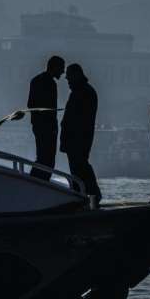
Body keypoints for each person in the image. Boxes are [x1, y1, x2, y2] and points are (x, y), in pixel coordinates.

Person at [60, 63, 101, 201]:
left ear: (76, 75)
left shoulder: (83, 92)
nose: (68, 81)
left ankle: (88, 196)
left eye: (69, 78)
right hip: (77, 138)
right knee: (79, 167)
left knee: (80, 166)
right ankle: (84, 196)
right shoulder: (84, 91)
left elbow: (77, 118)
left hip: (78, 138)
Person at [27, 55, 65, 180]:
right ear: (54, 67)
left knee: (41, 157)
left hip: (38, 126)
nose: (63, 72)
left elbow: (30, 105)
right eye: (61, 68)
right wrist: (53, 127)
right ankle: (40, 181)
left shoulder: (35, 80)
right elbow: (50, 109)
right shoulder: (50, 83)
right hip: (48, 127)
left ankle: (35, 180)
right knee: (48, 160)